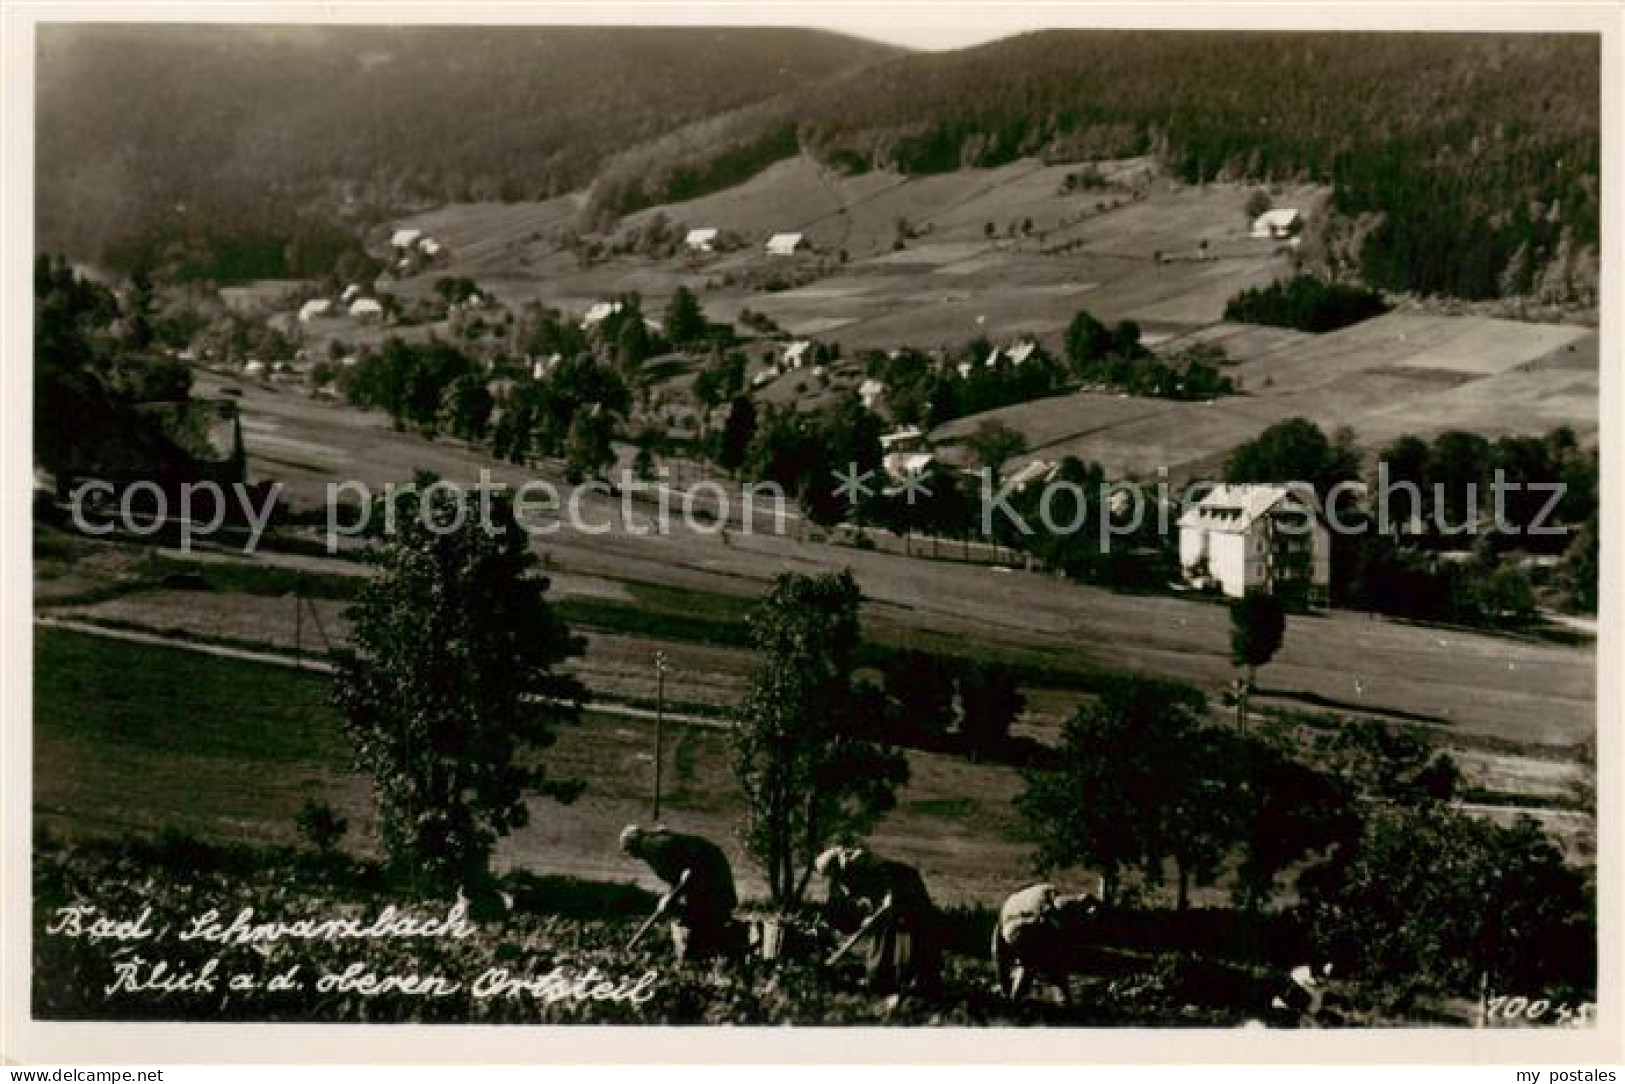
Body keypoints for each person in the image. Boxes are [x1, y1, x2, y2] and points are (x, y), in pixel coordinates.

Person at [814, 845, 940, 996]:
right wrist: (871, 912)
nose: (832, 877)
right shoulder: (843, 878)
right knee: (882, 929)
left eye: (831, 873)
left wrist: (890, 895)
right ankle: (880, 977)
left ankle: (918, 979)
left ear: (835, 865)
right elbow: (869, 892)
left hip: (906, 886)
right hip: (887, 897)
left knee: (913, 929)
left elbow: (885, 873)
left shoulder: (858, 858)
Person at [619, 824, 740, 964]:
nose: (630, 856)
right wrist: (669, 896)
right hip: (707, 866)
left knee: (702, 914)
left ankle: (700, 957)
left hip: (706, 869)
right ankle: (710, 952)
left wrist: (672, 896)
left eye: (628, 851)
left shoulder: (654, 848)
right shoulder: (652, 846)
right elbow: (678, 875)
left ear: (633, 846)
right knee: (705, 914)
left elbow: (685, 874)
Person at [991, 882, 1101, 1004]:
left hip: (1022, 924)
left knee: (1048, 970)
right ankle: (1015, 1003)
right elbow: (1000, 955)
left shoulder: (1047, 893)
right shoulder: (1040, 915)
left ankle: (1017, 1002)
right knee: (1031, 967)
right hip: (1022, 926)